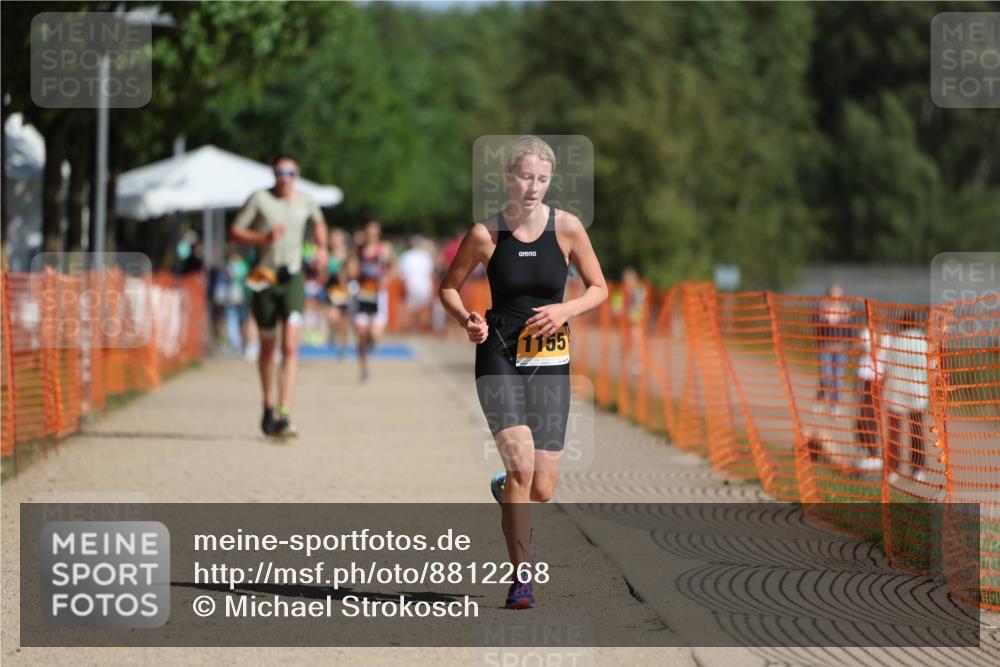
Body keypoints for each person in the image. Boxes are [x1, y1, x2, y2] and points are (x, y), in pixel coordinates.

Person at [439, 136, 607, 609]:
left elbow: (600, 288)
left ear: (550, 180)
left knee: (543, 488)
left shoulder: (569, 229)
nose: (532, 187)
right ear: (508, 179)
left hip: (551, 361)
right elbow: (449, 289)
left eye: (542, 179)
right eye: (525, 177)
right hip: (499, 356)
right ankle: (521, 580)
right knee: (522, 468)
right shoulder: (485, 234)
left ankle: (506, 491)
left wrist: (565, 310)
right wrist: (467, 320)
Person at [229, 154, 327, 437]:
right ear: (274, 175)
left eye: (291, 173)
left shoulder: (306, 201)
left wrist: (322, 248)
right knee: (268, 347)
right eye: (280, 172)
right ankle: (268, 404)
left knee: (291, 346)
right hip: (264, 277)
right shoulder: (260, 199)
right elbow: (235, 231)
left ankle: (284, 412)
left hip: (292, 277)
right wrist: (261, 239)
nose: (285, 178)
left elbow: (319, 223)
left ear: (298, 174)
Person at [875, 311, 930, 484]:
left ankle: (893, 469)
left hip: (896, 391)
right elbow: (931, 366)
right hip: (917, 392)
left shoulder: (896, 341)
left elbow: (886, 367)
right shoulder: (922, 341)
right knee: (917, 431)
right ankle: (918, 469)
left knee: (895, 434)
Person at [350, 218, 395, 381]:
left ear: (378, 233)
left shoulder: (384, 248)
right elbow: (352, 269)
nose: (370, 234)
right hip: (363, 293)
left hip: (378, 294)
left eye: (374, 231)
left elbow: (393, 268)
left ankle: (372, 341)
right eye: (368, 231)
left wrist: (386, 278)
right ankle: (363, 369)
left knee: (374, 334)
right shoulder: (359, 249)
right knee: (361, 333)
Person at [814, 284, 852, 411]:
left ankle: (834, 405)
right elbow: (816, 327)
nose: (836, 299)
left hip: (840, 349)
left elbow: (849, 331)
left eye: (838, 297)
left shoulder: (844, 310)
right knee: (826, 376)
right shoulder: (821, 309)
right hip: (826, 348)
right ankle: (820, 400)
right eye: (833, 296)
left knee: (838, 379)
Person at [398, 235, 436, 332]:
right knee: (423, 309)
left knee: (409, 308)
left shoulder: (406, 256)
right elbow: (431, 272)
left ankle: (411, 328)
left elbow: (401, 273)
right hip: (425, 286)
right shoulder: (426, 256)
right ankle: (420, 329)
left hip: (411, 285)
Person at [324, 227, 352, 355]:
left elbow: (352, 272)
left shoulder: (348, 255)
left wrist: (344, 273)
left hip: (345, 290)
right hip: (332, 290)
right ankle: (333, 336)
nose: (334, 241)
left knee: (344, 321)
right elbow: (323, 276)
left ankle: (343, 345)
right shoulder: (328, 255)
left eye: (337, 238)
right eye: (333, 238)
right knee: (333, 317)